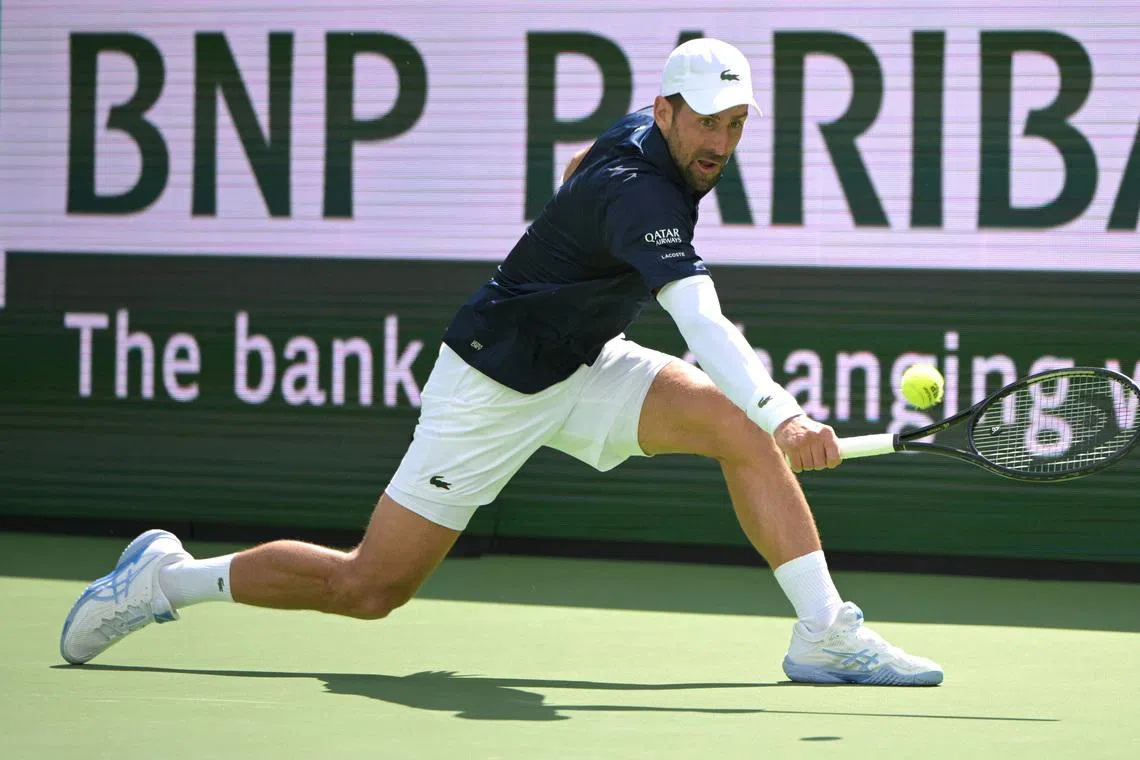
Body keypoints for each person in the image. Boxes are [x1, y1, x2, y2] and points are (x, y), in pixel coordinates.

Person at [60, 38, 943, 686]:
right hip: (494, 385)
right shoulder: (642, 194)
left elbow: (578, 164)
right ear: (667, 111)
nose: (719, 140)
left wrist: (759, 417)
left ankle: (825, 634)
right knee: (368, 587)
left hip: (583, 360)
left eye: (736, 124)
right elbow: (700, 321)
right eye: (705, 122)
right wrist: (787, 413)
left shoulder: (641, 135)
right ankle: (165, 582)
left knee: (734, 429)